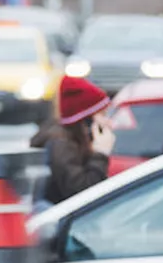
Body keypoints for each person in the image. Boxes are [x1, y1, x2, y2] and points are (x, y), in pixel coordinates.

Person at [30, 77, 116, 207]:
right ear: (86, 121)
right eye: (103, 115)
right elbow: (83, 194)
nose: (109, 122)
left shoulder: (76, 143)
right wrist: (100, 154)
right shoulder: (62, 145)